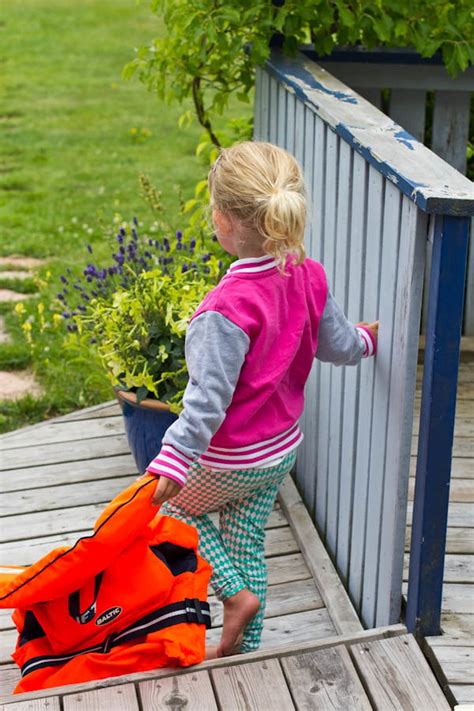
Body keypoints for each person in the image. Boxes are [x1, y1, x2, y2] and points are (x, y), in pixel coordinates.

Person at [146, 141, 378, 658]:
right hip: (278, 453)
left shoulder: (223, 310)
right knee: (245, 540)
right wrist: (369, 340)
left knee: (164, 514)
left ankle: (235, 593)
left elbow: (206, 403)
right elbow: (339, 345)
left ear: (221, 218)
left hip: (229, 458)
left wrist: (172, 462)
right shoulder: (307, 274)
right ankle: (246, 651)